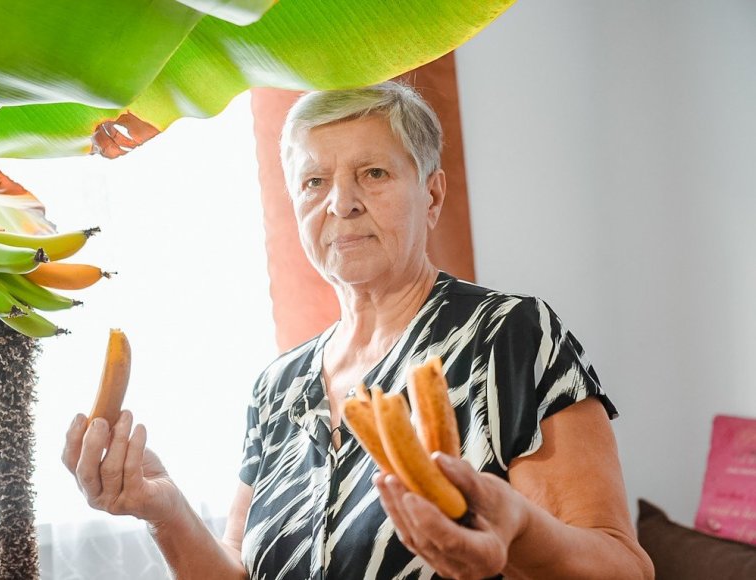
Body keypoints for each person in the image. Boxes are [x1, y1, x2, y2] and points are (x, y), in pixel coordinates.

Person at [62, 82, 654, 579]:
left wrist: (518, 529)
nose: (341, 203)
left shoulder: (509, 336)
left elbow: (623, 567)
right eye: (314, 182)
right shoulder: (279, 386)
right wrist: (163, 509)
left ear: (432, 194)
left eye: (373, 173)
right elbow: (238, 567)